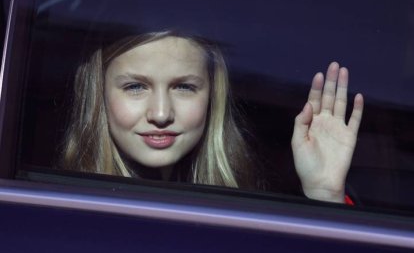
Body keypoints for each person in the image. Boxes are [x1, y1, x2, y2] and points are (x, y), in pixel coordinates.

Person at [62, 31, 364, 203]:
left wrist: (325, 195)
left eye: (184, 87)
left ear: (212, 96)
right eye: (135, 87)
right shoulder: (63, 210)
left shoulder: (245, 207)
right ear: (98, 92)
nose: (161, 114)